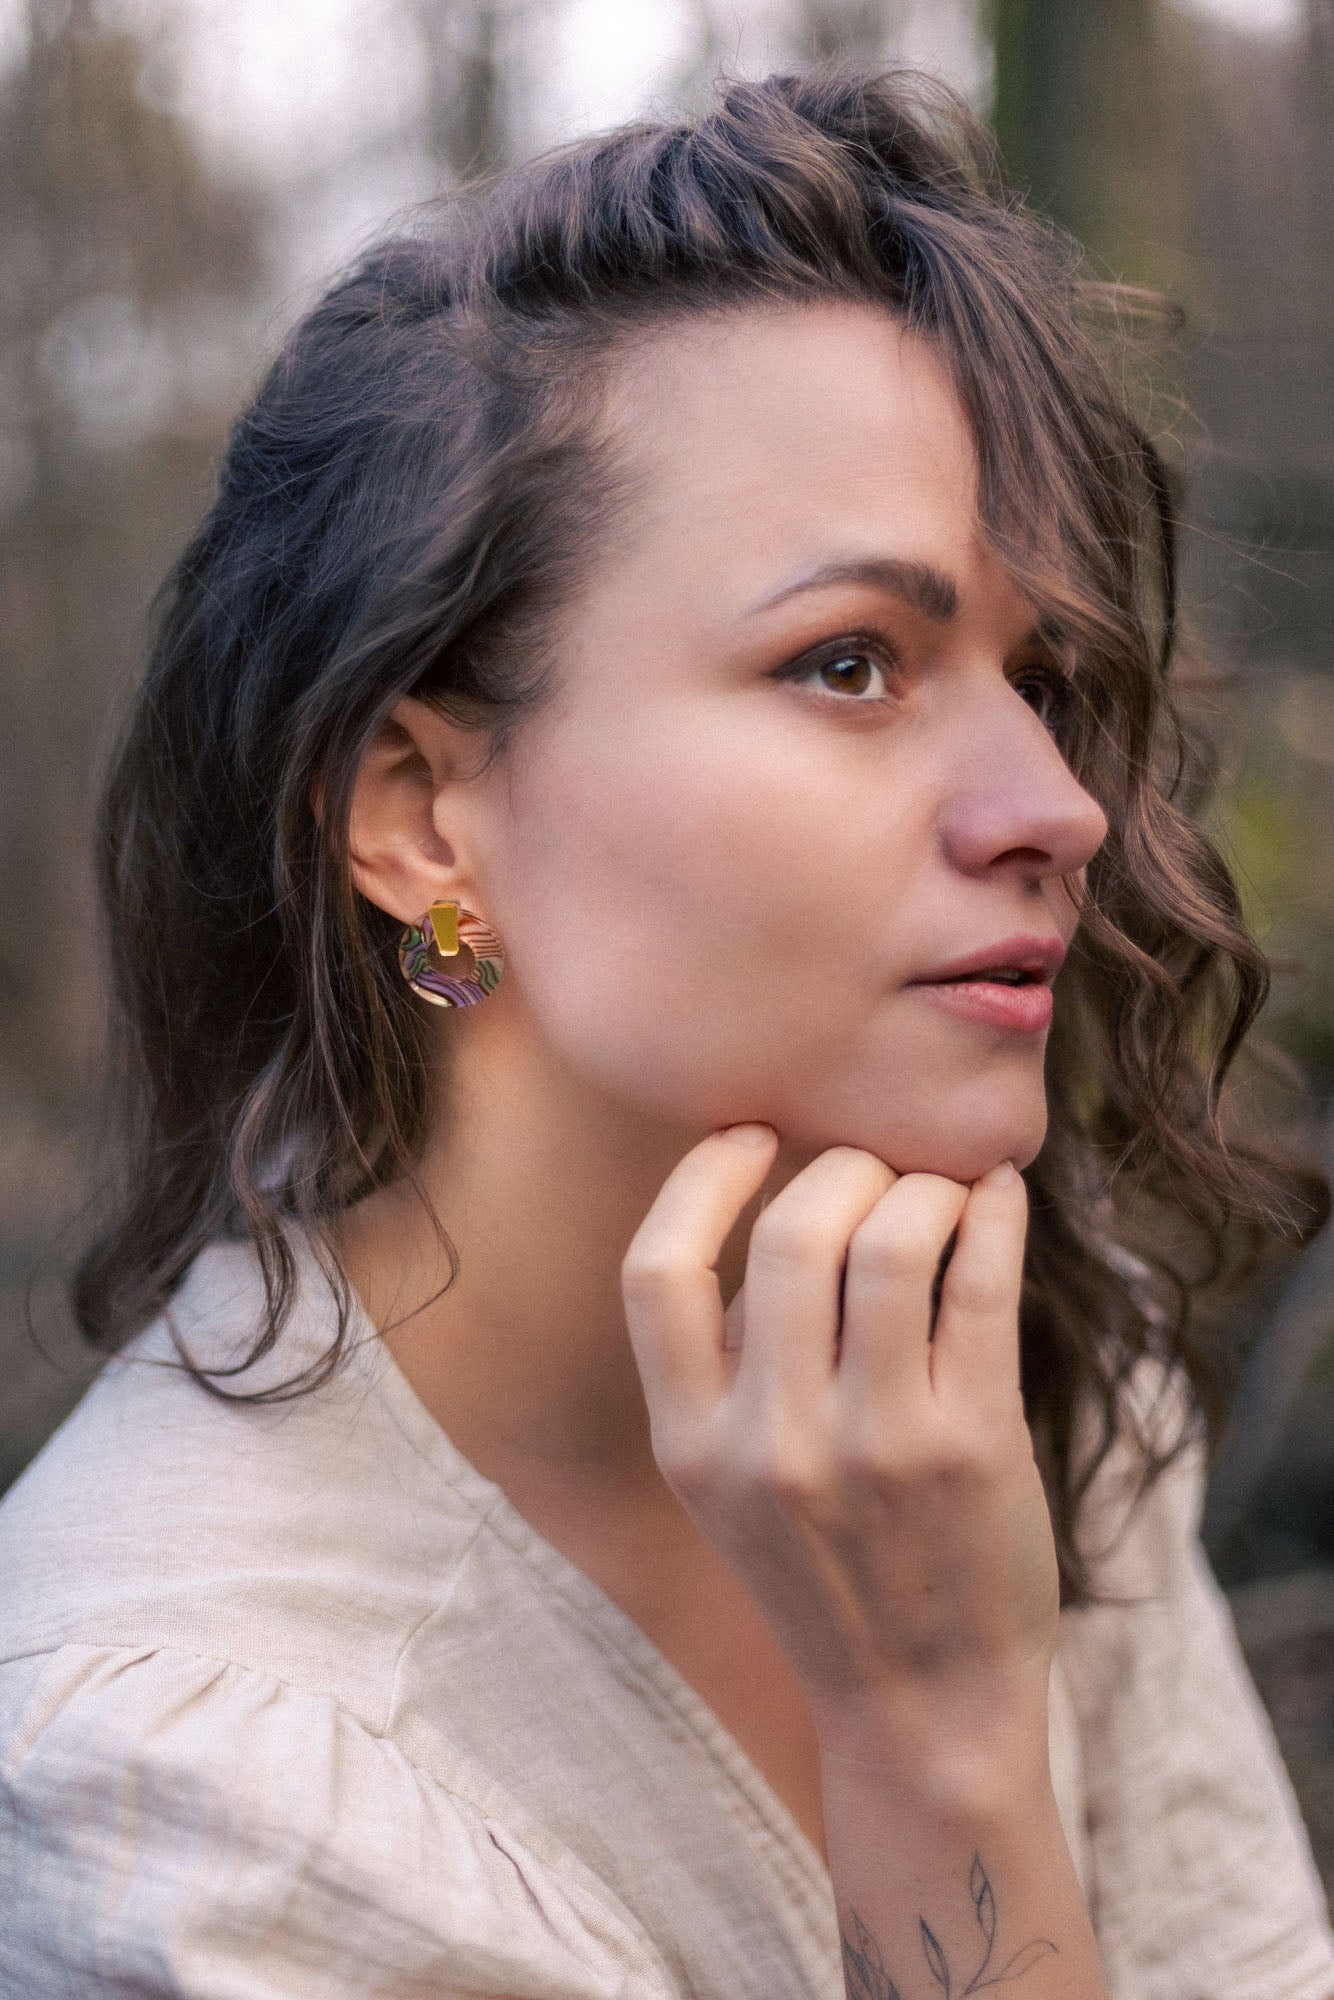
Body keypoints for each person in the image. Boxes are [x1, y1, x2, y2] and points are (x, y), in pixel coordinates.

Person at [0, 61, 1330, 2000]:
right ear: (420, 816)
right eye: (850, 661)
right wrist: (939, 1745)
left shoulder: (1000, 1342)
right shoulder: (176, 1788)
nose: (1051, 800)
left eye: (1040, 673)